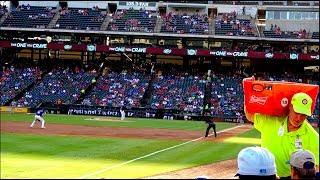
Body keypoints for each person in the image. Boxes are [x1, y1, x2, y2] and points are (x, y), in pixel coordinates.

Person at [244, 92, 319, 178]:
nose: (298, 118)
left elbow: (316, 168)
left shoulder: (314, 137)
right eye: (296, 112)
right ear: (290, 107)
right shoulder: (272, 121)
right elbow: (249, 115)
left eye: (303, 115)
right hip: (267, 174)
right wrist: (248, 90)